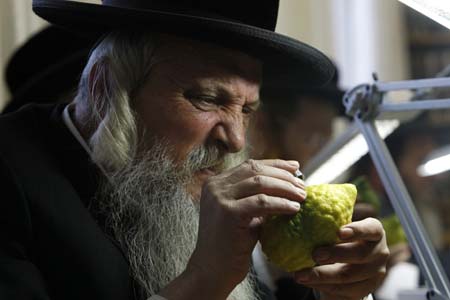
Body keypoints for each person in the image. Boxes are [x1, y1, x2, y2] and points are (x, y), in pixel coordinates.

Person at [0, 1, 389, 300]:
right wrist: (205, 279)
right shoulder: (13, 171)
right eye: (206, 99)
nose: (235, 140)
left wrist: (341, 288)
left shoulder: (181, 180)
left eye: (247, 110)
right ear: (105, 92)